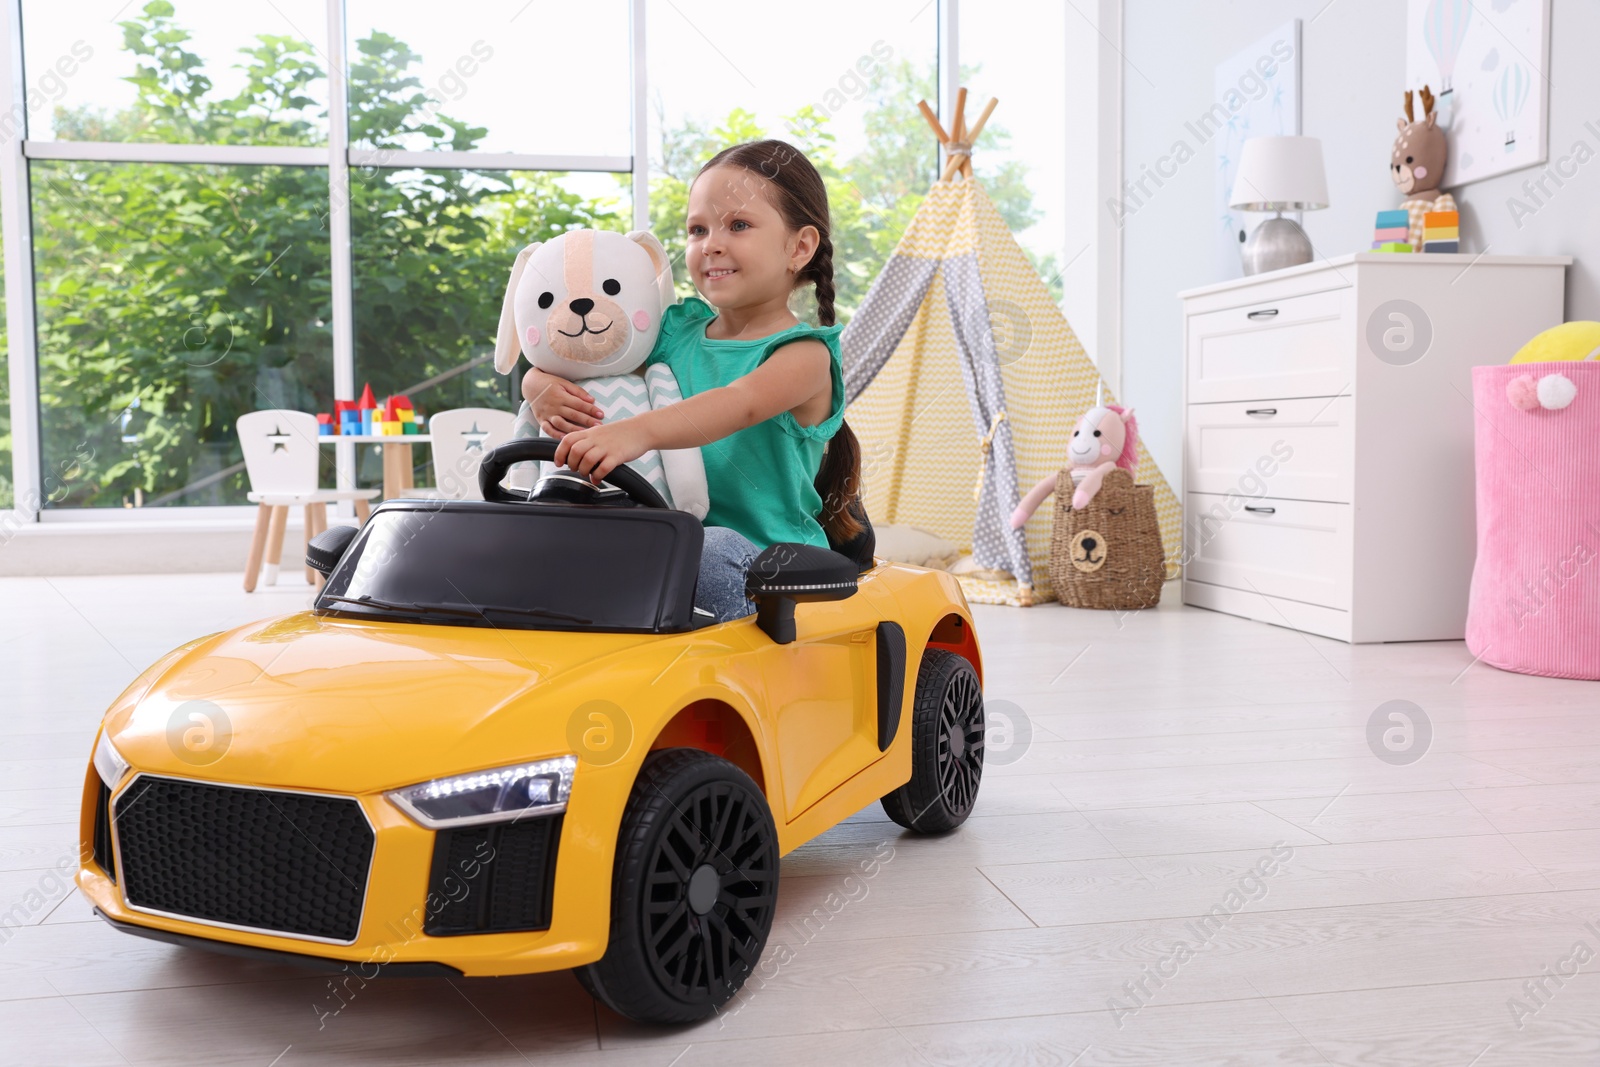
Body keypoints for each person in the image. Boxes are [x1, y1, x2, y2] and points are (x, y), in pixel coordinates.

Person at [524, 139, 863, 622]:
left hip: (769, 572)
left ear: (799, 247)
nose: (712, 244)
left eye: (739, 225)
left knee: (709, 549)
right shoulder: (675, 331)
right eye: (697, 229)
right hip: (664, 550)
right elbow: (589, 356)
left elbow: (738, 403)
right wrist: (537, 386)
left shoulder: (804, 356)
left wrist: (634, 433)